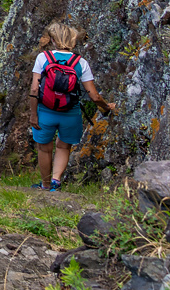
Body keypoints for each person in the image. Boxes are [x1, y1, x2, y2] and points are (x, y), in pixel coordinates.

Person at [30, 22, 116, 191]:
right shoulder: (80, 62)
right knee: (63, 146)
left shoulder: (43, 58)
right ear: (72, 40)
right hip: (70, 113)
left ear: (54, 40)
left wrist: (33, 114)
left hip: (45, 111)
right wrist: (106, 107)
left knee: (44, 148)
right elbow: (94, 95)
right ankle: (56, 180)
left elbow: (34, 89)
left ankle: (45, 185)